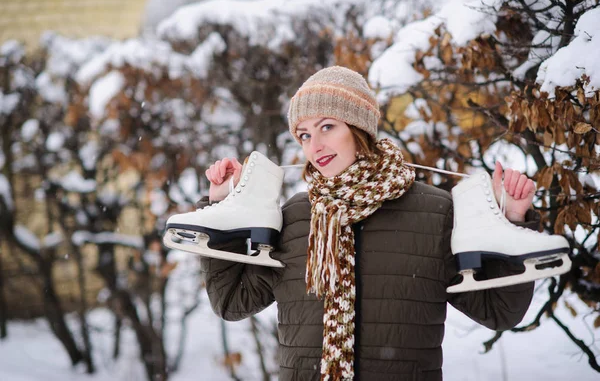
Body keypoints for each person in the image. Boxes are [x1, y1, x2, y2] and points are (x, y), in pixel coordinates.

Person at [198, 66, 537, 381]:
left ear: (358, 127)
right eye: (303, 135)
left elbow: (499, 310)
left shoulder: (434, 212)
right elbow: (231, 302)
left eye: (327, 126)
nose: (314, 146)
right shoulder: (295, 217)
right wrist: (221, 209)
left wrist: (513, 220)